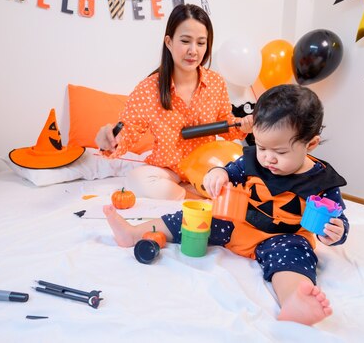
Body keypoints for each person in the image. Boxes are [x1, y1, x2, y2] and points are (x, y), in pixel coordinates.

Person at [103, 84, 349, 326]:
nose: (268, 158)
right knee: (191, 217)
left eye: (280, 152)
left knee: (293, 259)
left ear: (311, 144)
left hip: (284, 236)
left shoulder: (322, 181)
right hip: (238, 225)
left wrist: (334, 233)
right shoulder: (254, 160)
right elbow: (230, 171)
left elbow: (338, 222)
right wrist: (219, 173)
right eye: (262, 147)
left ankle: (294, 300)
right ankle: (133, 233)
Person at [95, 4, 252, 200]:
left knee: (247, 173)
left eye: (201, 43)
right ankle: (194, 197)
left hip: (207, 167)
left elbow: (227, 124)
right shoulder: (148, 89)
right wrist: (109, 141)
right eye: (185, 41)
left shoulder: (215, 82)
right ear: (168, 42)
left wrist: (246, 124)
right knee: (137, 179)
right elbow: (128, 132)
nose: (193, 51)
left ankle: (197, 191)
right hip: (170, 170)